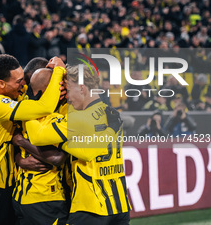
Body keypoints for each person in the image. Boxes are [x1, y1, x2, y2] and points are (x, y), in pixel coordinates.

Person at [0, 54, 65, 225]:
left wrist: (18, 159)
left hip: (10, 186)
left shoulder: (15, 93)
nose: (23, 84)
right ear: (1, 84)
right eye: (18, 81)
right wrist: (60, 70)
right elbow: (44, 106)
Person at [22, 64, 131, 225]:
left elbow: (37, 136)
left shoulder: (79, 119)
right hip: (119, 204)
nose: (68, 98)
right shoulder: (112, 113)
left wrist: (29, 105)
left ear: (82, 88)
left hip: (91, 206)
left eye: (69, 90)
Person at [12, 68, 69, 225]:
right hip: (46, 198)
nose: (63, 87)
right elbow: (57, 158)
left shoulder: (22, 112)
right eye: (60, 84)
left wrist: (20, 150)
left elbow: (14, 141)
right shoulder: (55, 119)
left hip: (21, 196)